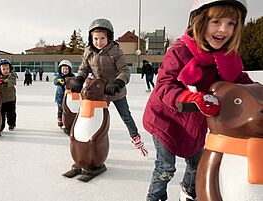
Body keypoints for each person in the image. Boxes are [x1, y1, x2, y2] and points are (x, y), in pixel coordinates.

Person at [142, 1, 254, 200]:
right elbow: (164, 87)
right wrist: (189, 97)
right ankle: (155, 197)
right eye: (216, 21)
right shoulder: (179, 52)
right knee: (166, 167)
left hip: (194, 124)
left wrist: (257, 93)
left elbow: (240, 81)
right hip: (165, 120)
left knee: (197, 164)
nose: (223, 29)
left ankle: (189, 192)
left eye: (231, 23)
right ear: (199, 21)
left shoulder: (228, 58)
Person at [70, 18, 148, 156]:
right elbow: (84, 68)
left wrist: (117, 83)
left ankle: (136, 138)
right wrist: (79, 79)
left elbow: (124, 71)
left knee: (126, 116)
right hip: (98, 91)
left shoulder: (116, 52)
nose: (99, 42)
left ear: (109, 38)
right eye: (95, 39)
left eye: (102, 38)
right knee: (91, 115)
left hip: (116, 91)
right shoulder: (88, 52)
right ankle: (89, 141)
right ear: (91, 38)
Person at [0, 59, 17, 131]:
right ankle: (1, 126)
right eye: (3, 69)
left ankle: (11, 124)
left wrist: (3, 82)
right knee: (1, 114)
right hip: (1, 100)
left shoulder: (11, 75)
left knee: (11, 113)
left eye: (7, 69)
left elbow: (11, 82)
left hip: (10, 99)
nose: (6, 71)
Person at [54, 60, 75, 128]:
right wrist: (59, 81)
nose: (65, 70)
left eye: (66, 69)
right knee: (60, 109)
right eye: (63, 69)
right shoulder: (59, 76)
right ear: (60, 69)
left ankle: (68, 120)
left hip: (69, 96)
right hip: (60, 96)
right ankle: (60, 119)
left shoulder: (72, 76)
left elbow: (75, 82)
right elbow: (55, 81)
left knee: (68, 108)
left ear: (69, 70)